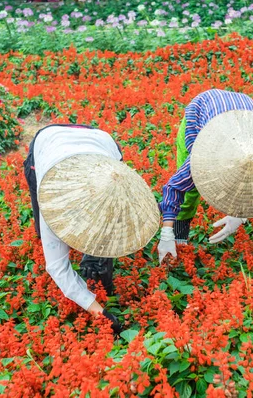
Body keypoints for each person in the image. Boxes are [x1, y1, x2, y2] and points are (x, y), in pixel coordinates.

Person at [23, 124, 160, 334]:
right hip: (48, 144)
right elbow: (57, 267)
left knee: (108, 227)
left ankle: (96, 263)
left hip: (100, 143)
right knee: (44, 234)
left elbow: (114, 225)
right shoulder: (52, 199)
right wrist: (99, 312)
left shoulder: (116, 181)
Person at [157, 89, 253, 263]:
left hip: (247, 116)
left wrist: (241, 213)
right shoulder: (204, 154)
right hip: (200, 113)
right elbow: (175, 188)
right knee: (189, 193)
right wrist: (166, 234)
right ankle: (176, 250)